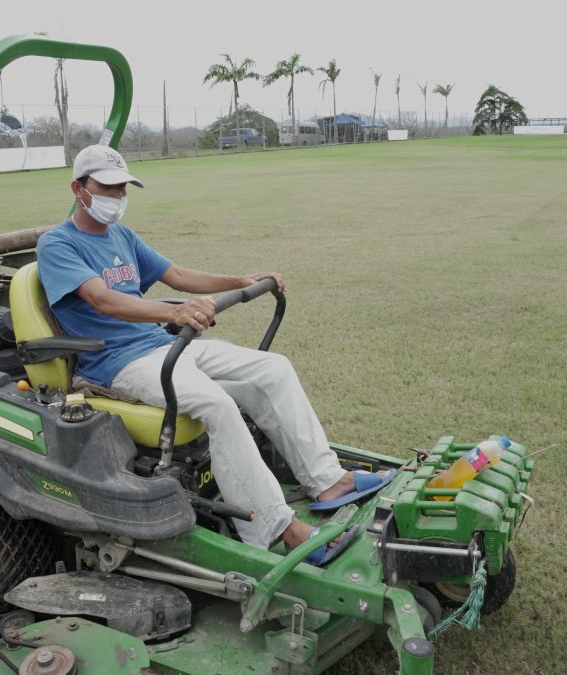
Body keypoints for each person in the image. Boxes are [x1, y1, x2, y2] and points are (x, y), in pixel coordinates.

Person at [36, 145, 394, 562]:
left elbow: (179, 275)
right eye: (107, 187)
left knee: (272, 369)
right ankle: (280, 529)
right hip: (117, 364)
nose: (116, 197)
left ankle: (328, 480)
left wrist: (242, 279)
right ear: (79, 188)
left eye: (122, 188)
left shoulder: (122, 236)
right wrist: (174, 311)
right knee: (218, 405)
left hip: (163, 346)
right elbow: (103, 300)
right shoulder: (57, 244)